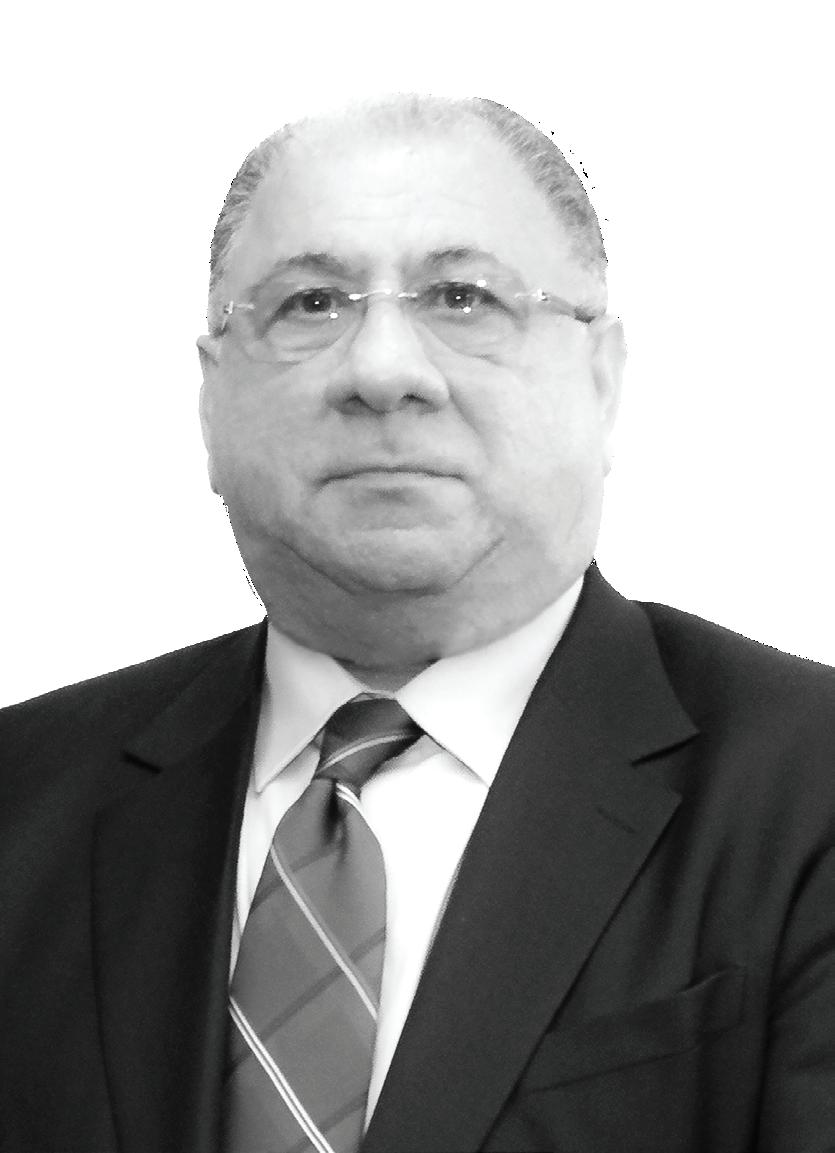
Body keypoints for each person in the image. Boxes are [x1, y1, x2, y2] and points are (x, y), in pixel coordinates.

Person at [1, 94, 833, 1153]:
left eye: (461, 296)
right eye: (310, 303)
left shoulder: (806, 787)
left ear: (603, 380)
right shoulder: (22, 798)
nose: (382, 370)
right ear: (211, 402)